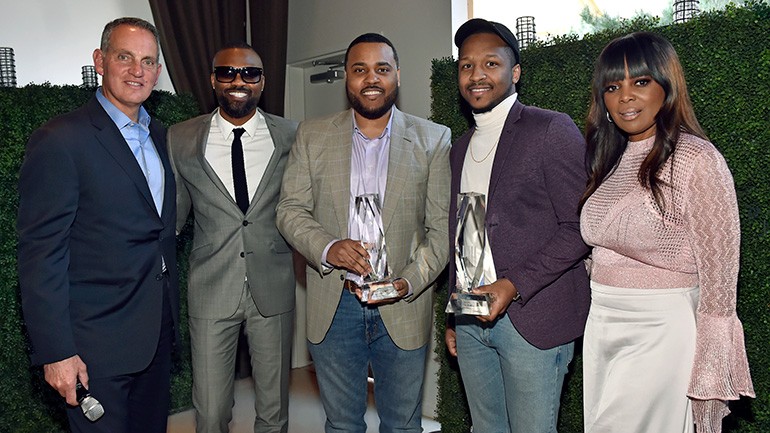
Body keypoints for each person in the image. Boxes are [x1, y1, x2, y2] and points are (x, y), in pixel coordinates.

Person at [579, 31, 754, 433]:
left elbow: (720, 277)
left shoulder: (698, 160)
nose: (625, 96)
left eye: (640, 82)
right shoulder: (610, 159)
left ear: (667, 87)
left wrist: (710, 366)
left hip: (660, 329)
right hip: (603, 322)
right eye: (612, 86)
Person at [276, 33, 450, 433]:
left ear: (397, 76)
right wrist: (328, 246)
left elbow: (440, 229)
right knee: (342, 425)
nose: (371, 79)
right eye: (359, 70)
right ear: (347, 80)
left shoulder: (433, 139)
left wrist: (407, 282)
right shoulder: (312, 135)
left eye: (382, 69)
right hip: (334, 305)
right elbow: (289, 210)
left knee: (403, 426)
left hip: (403, 305)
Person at [17, 17, 178, 433]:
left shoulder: (161, 136)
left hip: (156, 337)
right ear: (100, 60)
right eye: (124, 57)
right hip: (94, 348)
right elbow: (41, 256)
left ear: (158, 72)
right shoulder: (60, 140)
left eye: (147, 61)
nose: (136, 70)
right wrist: (56, 352)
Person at [444, 19, 590, 433]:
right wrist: (455, 313)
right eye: (466, 65)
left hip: (533, 319)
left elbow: (579, 225)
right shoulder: (460, 148)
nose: (476, 75)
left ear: (516, 72)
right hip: (472, 316)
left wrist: (514, 284)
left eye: (490, 63)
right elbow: (466, 234)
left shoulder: (550, 128)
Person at [167, 42, 297, 433]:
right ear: (213, 80)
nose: (238, 81)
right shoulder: (180, 138)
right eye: (227, 72)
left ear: (262, 82)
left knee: (274, 410)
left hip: (272, 286)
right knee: (209, 411)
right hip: (210, 287)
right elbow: (171, 217)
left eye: (249, 73)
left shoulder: (292, 135)